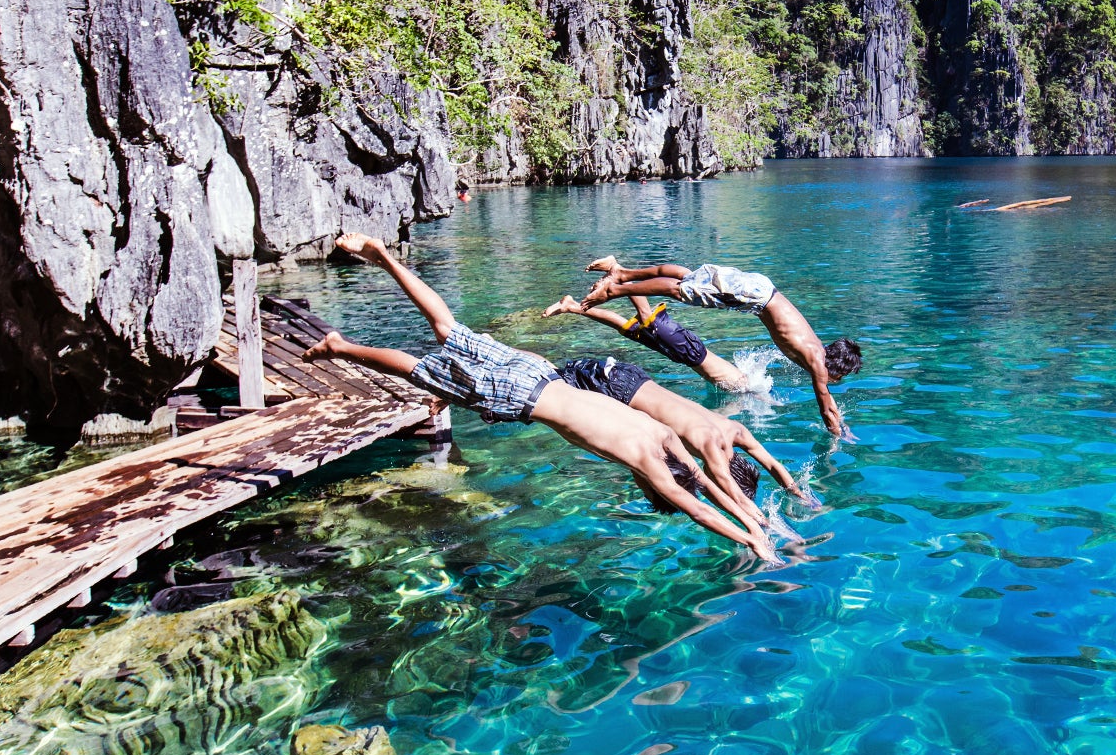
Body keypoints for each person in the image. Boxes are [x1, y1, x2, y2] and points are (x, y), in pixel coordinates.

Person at [302, 234, 776, 561]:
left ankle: (385, 258)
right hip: (521, 397)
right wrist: (752, 542)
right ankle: (342, 348)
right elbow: (695, 503)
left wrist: (752, 520)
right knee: (420, 370)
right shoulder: (648, 461)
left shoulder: (664, 434)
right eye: (651, 491)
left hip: (543, 372)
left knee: (448, 329)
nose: (646, 488)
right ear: (654, 484)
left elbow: (708, 485)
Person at [577, 257, 862, 436]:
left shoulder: (815, 349)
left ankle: (622, 271)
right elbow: (825, 407)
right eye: (841, 375)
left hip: (761, 290)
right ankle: (614, 290)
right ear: (835, 366)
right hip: (754, 296)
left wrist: (840, 418)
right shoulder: (816, 360)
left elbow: (829, 402)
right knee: (682, 290)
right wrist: (839, 434)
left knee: (690, 277)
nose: (836, 380)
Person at [555, 355, 819, 528]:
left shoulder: (736, 431)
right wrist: (765, 525)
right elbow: (732, 495)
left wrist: (796, 491)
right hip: (616, 390)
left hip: (634, 377)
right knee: (550, 382)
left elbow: (772, 465)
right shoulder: (711, 451)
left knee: (550, 380)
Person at [542, 294, 752, 390]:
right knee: (645, 315)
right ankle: (619, 275)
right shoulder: (746, 387)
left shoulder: (742, 381)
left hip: (682, 355)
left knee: (624, 328)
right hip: (691, 351)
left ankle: (571, 306)